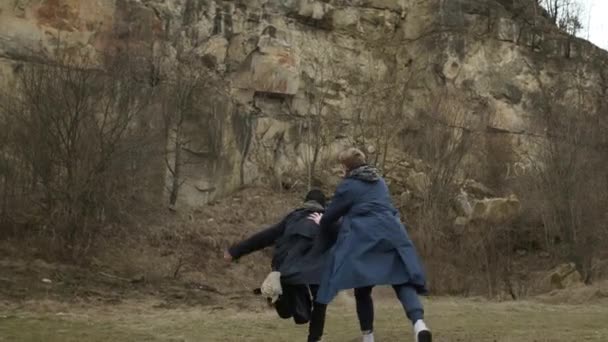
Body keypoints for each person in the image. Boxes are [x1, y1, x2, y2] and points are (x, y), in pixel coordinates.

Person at [308, 147, 432, 342]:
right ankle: (419, 324)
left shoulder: (348, 186)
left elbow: (331, 216)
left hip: (364, 237)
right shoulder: (380, 182)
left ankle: (368, 337)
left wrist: (320, 221)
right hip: (392, 232)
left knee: (362, 287)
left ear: (346, 167)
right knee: (401, 280)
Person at [224, 189, 335, 342]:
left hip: (285, 267)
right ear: (323, 205)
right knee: (318, 303)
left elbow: (264, 237)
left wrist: (235, 251)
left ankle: (282, 300)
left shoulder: (292, 218)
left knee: (292, 307)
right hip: (311, 270)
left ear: (305, 203)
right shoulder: (327, 220)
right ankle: (314, 338)